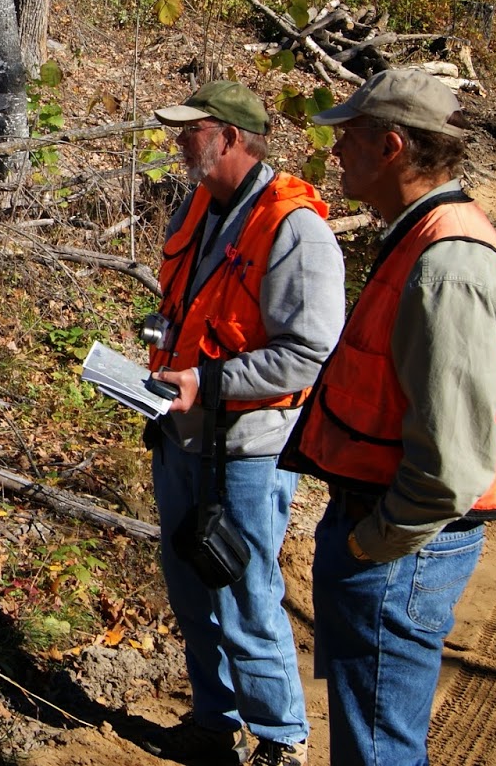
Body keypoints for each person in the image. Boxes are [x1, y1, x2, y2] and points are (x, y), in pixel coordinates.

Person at [281, 69, 496, 766]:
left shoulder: (447, 266)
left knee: (379, 753)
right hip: (390, 538)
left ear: (392, 145)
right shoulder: (427, 237)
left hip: (401, 548)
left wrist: (367, 546)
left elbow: (452, 467)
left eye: (348, 136)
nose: (335, 151)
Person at [145, 80, 346, 766]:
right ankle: (214, 718)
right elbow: (181, 310)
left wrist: (209, 381)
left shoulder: (297, 228)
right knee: (189, 586)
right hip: (179, 435)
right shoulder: (197, 208)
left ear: (229, 137)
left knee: (245, 591)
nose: (180, 142)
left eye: (191, 130)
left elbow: (308, 353)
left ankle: (281, 738)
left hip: (247, 452)